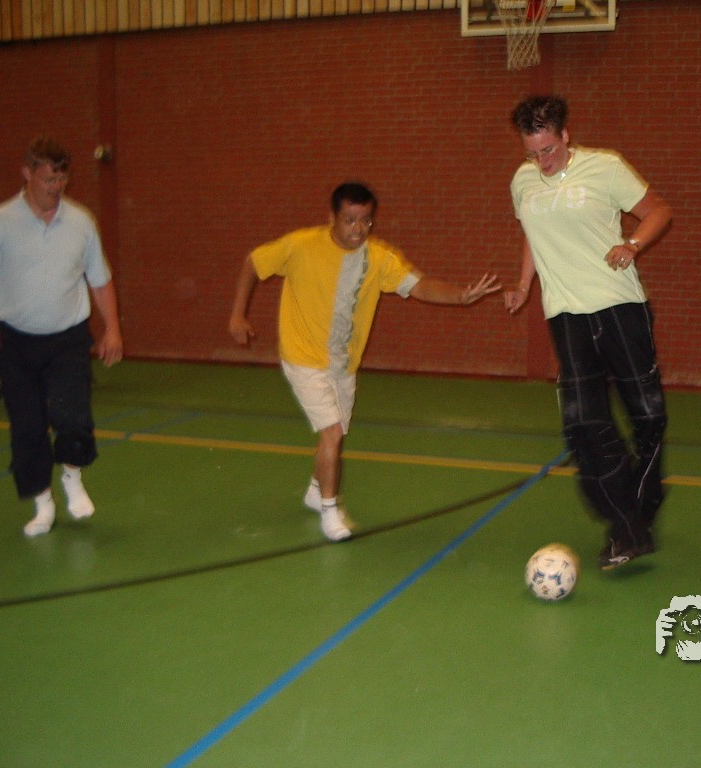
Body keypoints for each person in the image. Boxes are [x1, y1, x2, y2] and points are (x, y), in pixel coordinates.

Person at [229, 181, 499, 542]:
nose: (358, 229)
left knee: (335, 430)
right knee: (332, 431)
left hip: (343, 363)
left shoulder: (379, 259)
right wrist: (238, 315)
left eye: (366, 220)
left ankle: (315, 491)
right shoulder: (300, 246)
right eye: (350, 220)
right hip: (303, 356)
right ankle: (330, 510)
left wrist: (461, 296)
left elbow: (419, 285)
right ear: (331, 218)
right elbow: (253, 262)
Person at [504, 96, 673, 571]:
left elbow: (659, 210)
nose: (541, 162)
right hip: (566, 316)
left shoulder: (605, 167)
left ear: (565, 136)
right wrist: (523, 285)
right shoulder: (522, 181)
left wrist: (632, 244)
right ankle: (626, 525)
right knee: (583, 424)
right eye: (532, 153)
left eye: (548, 150)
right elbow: (533, 234)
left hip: (620, 308)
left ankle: (641, 509)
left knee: (648, 417)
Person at [0, 137, 124, 537]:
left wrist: (112, 329)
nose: (56, 188)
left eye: (62, 179)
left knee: (73, 417)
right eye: (48, 179)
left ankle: (71, 475)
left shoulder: (81, 222)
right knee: (28, 427)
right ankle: (43, 503)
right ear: (27, 173)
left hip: (68, 339)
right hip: (17, 343)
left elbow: (100, 280)